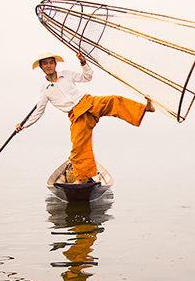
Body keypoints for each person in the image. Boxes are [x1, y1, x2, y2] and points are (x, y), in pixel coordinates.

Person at [16, 51, 155, 183]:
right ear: (41, 67)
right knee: (77, 149)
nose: (48, 65)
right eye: (45, 64)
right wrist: (23, 125)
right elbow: (39, 111)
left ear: (55, 64)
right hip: (76, 115)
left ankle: (145, 108)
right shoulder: (45, 90)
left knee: (114, 100)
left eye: (50, 62)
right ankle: (82, 178)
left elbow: (87, 77)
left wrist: (83, 62)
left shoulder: (66, 74)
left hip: (88, 102)